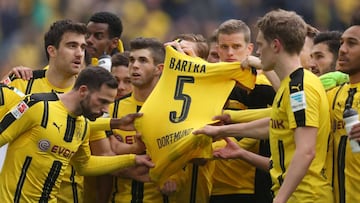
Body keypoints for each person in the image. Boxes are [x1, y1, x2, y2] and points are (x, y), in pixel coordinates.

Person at [194, 9, 333, 203]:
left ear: (275, 45)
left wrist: (280, 199)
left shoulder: (300, 88)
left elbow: (306, 150)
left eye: (260, 45)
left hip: (306, 196)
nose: (258, 52)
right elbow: (273, 124)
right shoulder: (289, 85)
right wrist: (224, 130)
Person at [0, 66, 154, 202]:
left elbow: (84, 165)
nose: (106, 110)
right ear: (83, 91)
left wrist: (133, 159)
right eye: (102, 101)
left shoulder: (83, 125)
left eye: (109, 104)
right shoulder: (36, 106)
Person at [210, 19, 275, 203]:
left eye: (236, 46)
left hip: (248, 186)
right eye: (224, 47)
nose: (230, 53)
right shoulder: (209, 82)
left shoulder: (265, 84)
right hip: (209, 184)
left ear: (249, 49)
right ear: (218, 48)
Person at [108, 37, 166, 203]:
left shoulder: (173, 110)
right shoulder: (112, 109)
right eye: (132, 60)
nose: (134, 65)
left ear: (158, 69)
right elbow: (102, 157)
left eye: (143, 60)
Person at [328, 10, 360, 203]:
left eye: (352, 43)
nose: (342, 49)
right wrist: (232, 119)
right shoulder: (333, 94)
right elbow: (282, 116)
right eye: (341, 43)